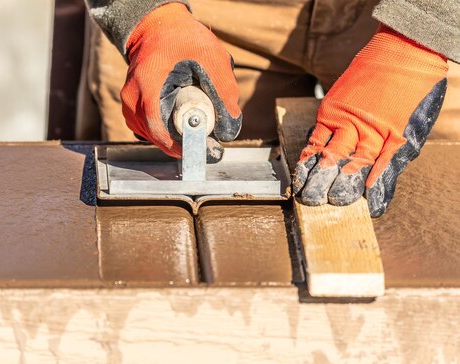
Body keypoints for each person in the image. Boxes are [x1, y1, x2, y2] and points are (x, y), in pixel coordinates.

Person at [82, 0, 459, 216]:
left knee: (429, 223)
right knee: (139, 229)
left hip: (410, 16)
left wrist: (422, 34)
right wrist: (149, 16)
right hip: (205, 12)